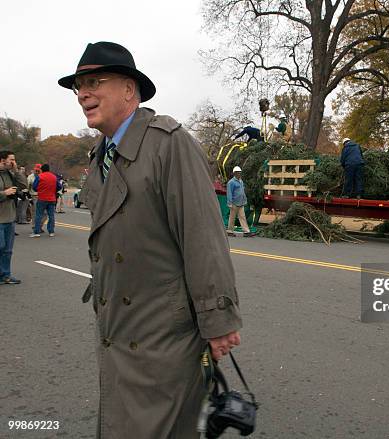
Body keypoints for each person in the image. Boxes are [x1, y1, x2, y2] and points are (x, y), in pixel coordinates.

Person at [58, 41, 242, 437]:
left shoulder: (168, 143)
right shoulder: (100, 154)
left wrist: (218, 319)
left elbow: (203, 238)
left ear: (129, 89)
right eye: (78, 86)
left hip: (164, 334)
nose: (83, 93)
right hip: (117, 327)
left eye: (94, 82)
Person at [0, 150, 27, 284]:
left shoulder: (10, 174)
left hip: (10, 217)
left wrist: (16, 171)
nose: (13, 162)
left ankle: (5, 275)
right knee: (0, 246)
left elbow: (24, 186)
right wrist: (4, 193)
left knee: (7, 250)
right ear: (2, 160)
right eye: (11, 160)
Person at [31, 164, 60, 238]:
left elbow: (34, 187)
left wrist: (39, 190)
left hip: (42, 198)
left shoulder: (39, 176)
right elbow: (59, 186)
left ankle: (37, 231)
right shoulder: (54, 177)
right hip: (52, 198)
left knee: (39, 215)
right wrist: (54, 190)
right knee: (51, 215)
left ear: (42, 170)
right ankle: (51, 231)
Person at [226, 166, 253, 237]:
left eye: (240, 173)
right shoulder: (231, 182)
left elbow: (242, 191)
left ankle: (246, 231)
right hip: (234, 203)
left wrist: (245, 200)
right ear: (234, 173)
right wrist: (229, 203)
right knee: (232, 217)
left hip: (241, 203)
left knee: (242, 217)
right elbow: (229, 193)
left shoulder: (241, 181)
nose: (239, 174)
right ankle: (229, 231)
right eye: (238, 173)